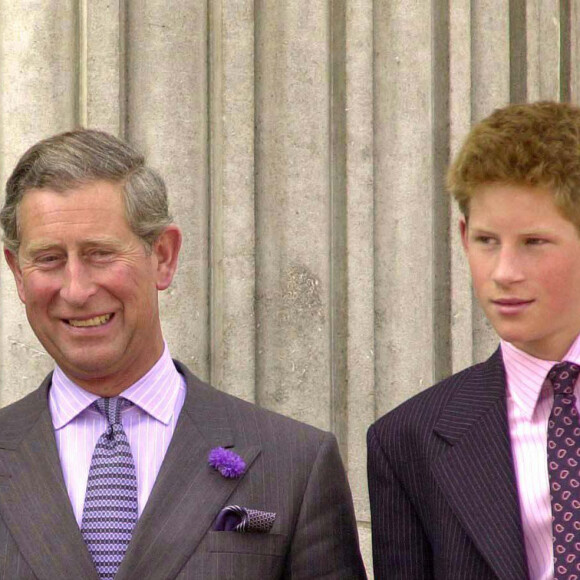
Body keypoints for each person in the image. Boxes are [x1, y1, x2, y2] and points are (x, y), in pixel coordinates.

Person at [0, 129, 366, 580]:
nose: (76, 290)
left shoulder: (295, 465)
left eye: (100, 254)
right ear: (18, 273)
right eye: (50, 259)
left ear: (164, 256)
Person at [368, 101, 580, 579]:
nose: (504, 273)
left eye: (534, 242)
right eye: (487, 241)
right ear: (463, 237)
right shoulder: (407, 441)